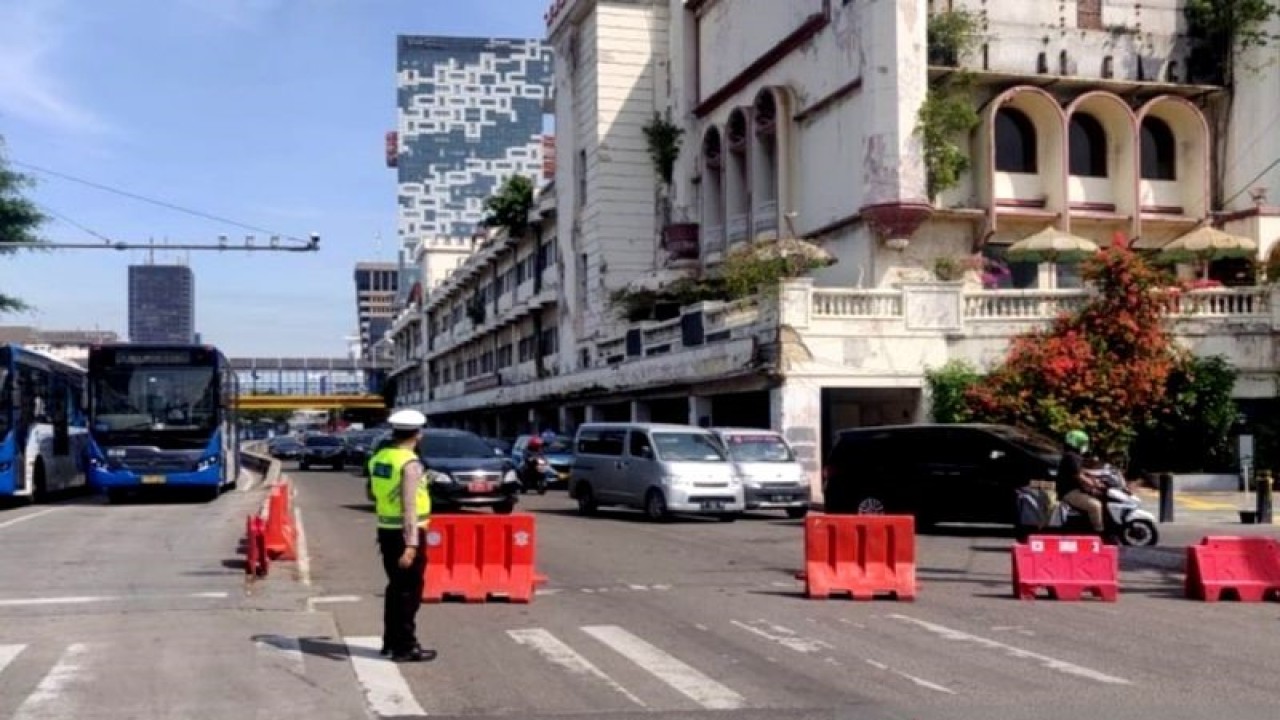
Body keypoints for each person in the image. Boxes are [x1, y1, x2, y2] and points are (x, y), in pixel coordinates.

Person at [367, 409, 436, 663]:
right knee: (409, 590)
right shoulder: (410, 463)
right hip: (407, 532)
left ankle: (390, 641)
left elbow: (372, 494)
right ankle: (406, 646)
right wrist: (411, 544)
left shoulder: (380, 458)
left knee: (395, 588)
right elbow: (410, 506)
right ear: (417, 434)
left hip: (385, 530)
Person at [1056, 429, 1106, 536]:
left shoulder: (1072, 456)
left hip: (1075, 489)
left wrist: (1096, 477)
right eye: (1084, 443)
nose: (1085, 446)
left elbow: (1081, 471)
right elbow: (1079, 476)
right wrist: (1094, 484)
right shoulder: (1071, 457)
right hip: (1069, 492)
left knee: (1099, 497)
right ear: (1077, 443)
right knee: (1095, 505)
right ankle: (1099, 534)